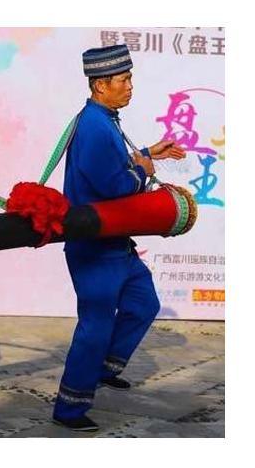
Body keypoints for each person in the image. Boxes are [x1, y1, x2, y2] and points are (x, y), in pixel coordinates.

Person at [52, 44, 186, 432]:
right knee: (94, 325)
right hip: (94, 247)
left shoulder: (104, 119)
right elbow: (113, 185)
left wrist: (146, 152)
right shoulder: (94, 125)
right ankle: (69, 407)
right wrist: (144, 169)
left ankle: (102, 369)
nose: (130, 86)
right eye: (123, 80)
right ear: (100, 85)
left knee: (144, 304)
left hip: (116, 243)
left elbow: (114, 167)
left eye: (129, 79)